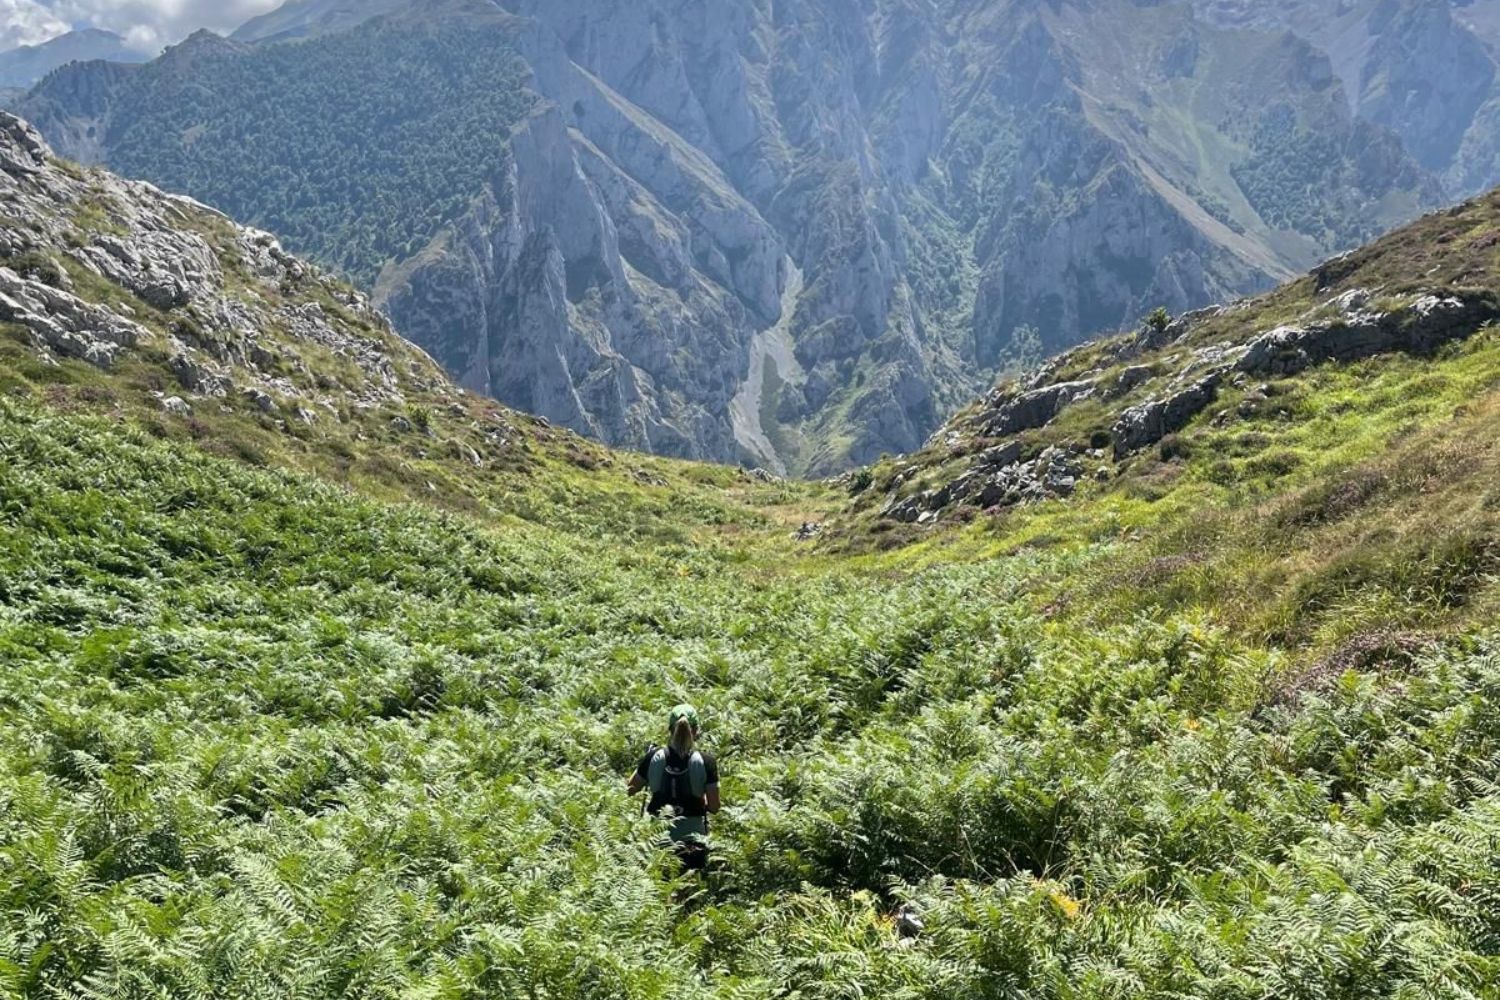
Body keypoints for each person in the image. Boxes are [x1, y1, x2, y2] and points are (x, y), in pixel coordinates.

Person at [627, 703, 720, 870]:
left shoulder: (654, 756)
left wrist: (647, 763)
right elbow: (714, 807)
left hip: (658, 841)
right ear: (696, 731)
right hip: (694, 842)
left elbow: (631, 789)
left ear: (669, 730)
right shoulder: (707, 762)